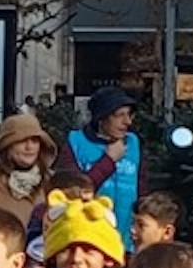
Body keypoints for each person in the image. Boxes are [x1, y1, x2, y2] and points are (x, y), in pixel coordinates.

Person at [58, 88, 139, 225]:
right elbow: (73, 192)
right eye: (119, 115)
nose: (127, 122)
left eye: (129, 115)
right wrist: (108, 161)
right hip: (91, 235)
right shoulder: (76, 143)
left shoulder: (133, 142)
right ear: (101, 118)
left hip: (128, 239)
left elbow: (142, 189)